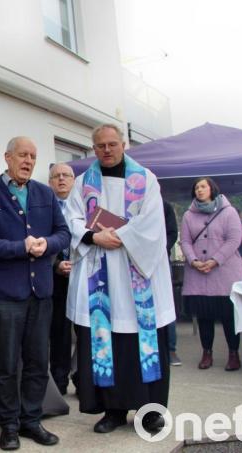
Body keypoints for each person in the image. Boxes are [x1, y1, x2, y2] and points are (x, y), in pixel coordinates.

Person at [66, 124, 175, 435]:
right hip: (99, 277)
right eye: (100, 146)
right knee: (107, 344)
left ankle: (150, 413)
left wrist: (121, 235)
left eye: (112, 144)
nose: (107, 150)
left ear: (123, 144)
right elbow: (71, 218)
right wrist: (93, 236)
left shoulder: (146, 180)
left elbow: (154, 224)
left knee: (142, 344)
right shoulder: (83, 182)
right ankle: (113, 411)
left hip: (137, 276)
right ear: (93, 148)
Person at [0, 136, 70, 450]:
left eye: (33, 156)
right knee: (7, 363)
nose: (28, 161)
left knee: (39, 361)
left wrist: (48, 245)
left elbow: (63, 232)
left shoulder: (44, 192)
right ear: (7, 157)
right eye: (22, 155)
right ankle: (9, 425)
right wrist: (20, 248)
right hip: (5, 294)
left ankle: (31, 421)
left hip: (40, 292)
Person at [180, 177, 242, 371]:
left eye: (203, 186)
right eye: (196, 187)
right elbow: (185, 241)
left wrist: (215, 260)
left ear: (212, 189)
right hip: (198, 273)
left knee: (229, 317)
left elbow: (234, 239)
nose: (199, 190)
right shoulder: (188, 215)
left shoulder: (229, 212)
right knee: (204, 316)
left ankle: (234, 354)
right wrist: (194, 261)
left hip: (225, 273)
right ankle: (206, 353)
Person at [47, 163, 76, 395]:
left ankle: (83, 379)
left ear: (74, 180)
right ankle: (59, 381)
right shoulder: (44, 208)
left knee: (87, 332)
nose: (61, 179)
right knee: (59, 332)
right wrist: (56, 264)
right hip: (55, 278)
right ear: (50, 182)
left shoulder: (85, 206)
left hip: (84, 275)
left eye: (66, 175)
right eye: (56, 176)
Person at [162, 199, 182, 366]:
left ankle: (171, 349)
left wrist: (158, 249)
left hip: (159, 260)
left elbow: (172, 233)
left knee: (165, 305)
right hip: (131, 260)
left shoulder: (165, 206)